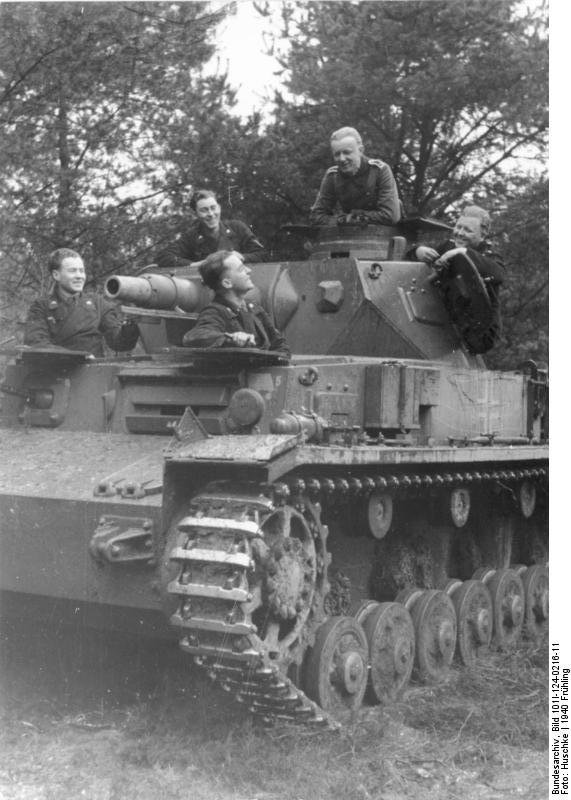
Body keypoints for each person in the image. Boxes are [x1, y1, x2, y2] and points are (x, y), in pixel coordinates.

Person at [410, 205, 505, 352]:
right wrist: (418, 251)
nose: (460, 233)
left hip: (478, 334)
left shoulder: (489, 255)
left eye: (468, 230)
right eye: (458, 227)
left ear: (483, 235)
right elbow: (411, 258)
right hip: (443, 323)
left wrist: (463, 252)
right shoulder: (448, 246)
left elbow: (499, 274)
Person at [24, 248, 139, 356]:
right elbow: (36, 343)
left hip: (93, 373)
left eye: (81, 271)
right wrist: (78, 357)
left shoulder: (97, 303)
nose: (79, 276)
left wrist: (131, 326)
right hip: (55, 371)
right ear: (56, 275)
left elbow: (118, 343)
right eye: (72, 271)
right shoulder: (41, 306)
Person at [182, 250, 290, 355]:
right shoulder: (214, 312)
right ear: (227, 283)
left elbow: (279, 344)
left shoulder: (253, 308)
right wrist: (231, 338)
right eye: (241, 269)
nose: (249, 270)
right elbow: (194, 336)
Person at [310, 126, 401, 227]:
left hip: (383, 236)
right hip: (349, 236)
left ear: (361, 150)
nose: (342, 159)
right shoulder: (333, 176)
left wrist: (352, 217)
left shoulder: (379, 171)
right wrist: (342, 220)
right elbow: (316, 217)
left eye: (347, 152)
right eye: (337, 154)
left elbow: (390, 216)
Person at [156, 189, 265, 270]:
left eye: (213, 208)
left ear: (219, 208)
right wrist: (199, 264)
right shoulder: (191, 236)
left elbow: (262, 254)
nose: (211, 214)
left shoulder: (237, 228)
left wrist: (241, 257)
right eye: (204, 210)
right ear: (196, 214)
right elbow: (164, 257)